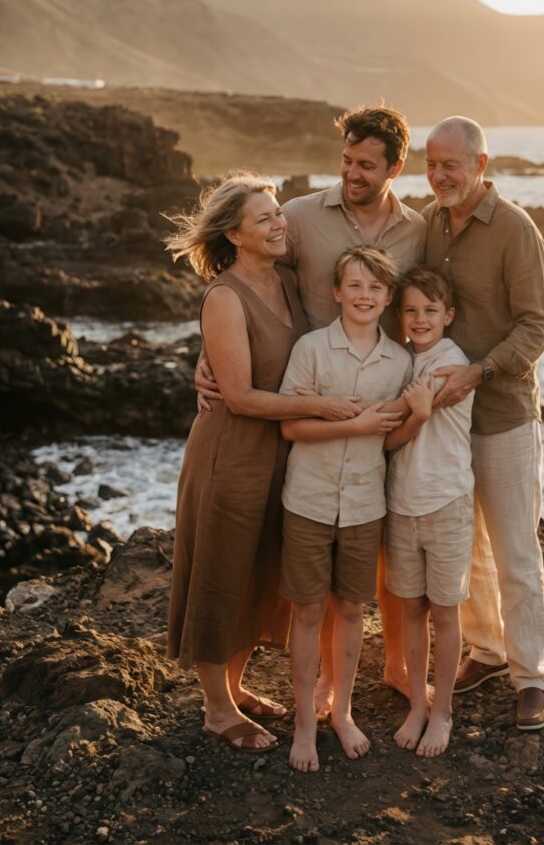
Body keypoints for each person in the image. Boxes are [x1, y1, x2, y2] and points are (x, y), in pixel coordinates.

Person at [195, 106, 426, 710]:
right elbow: (231, 284)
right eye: (345, 160)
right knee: (240, 564)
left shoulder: (419, 230)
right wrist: (208, 357)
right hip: (299, 414)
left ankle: (354, 677)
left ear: (395, 167)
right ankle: (230, 702)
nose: (351, 172)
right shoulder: (299, 217)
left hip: (361, 402)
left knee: (281, 563)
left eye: (365, 164)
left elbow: (437, 300)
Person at [164, 174, 365, 753]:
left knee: (258, 572)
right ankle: (215, 707)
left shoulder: (283, 279)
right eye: (265, 219)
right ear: (234, 234)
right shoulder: (224, 296)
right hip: (232, 452)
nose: (280, 224)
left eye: (279, 214)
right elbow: (242, 395)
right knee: (221, 572)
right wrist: (321, 405)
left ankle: (236, 684)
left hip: (279, 453)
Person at [423, 116, 544, 732]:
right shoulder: (428, 224)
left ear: (481, 163)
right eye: (431, 163)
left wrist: (479, 372)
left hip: (501, 413)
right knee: (464, 547)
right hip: (447, 421)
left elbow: (536, 325)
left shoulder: (514, 229)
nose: (440, 174)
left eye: (452, 163)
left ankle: (532, 678)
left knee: (514, 551)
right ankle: (486, 650)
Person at [278, 247, 411, 773]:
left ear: (388, 298)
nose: (364, 296)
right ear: (336, 292)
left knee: (352, 609)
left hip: (363, 504)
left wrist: (416, 414)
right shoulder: (311, 349)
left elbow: (395, 437)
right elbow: (291, 427)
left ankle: (343, 713)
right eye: (354, 286)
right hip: (307, 499)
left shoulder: (400, 361)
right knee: (309, 611)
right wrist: (353, 425)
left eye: (375, 288)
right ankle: (304, 724)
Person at [383, 266, 475, 757]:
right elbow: (393, 438)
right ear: (400, 315)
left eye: (430, 311)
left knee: (444, 612)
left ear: (449, 316)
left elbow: (398, 422)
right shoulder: (401, 363)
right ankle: (418, 703)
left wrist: (413, 411)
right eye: (411, 310)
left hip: (445, 502)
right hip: (401, 503)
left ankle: (442, 712)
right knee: (410, 610)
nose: (420, 319)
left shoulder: (449, 364)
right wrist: (412, 412)